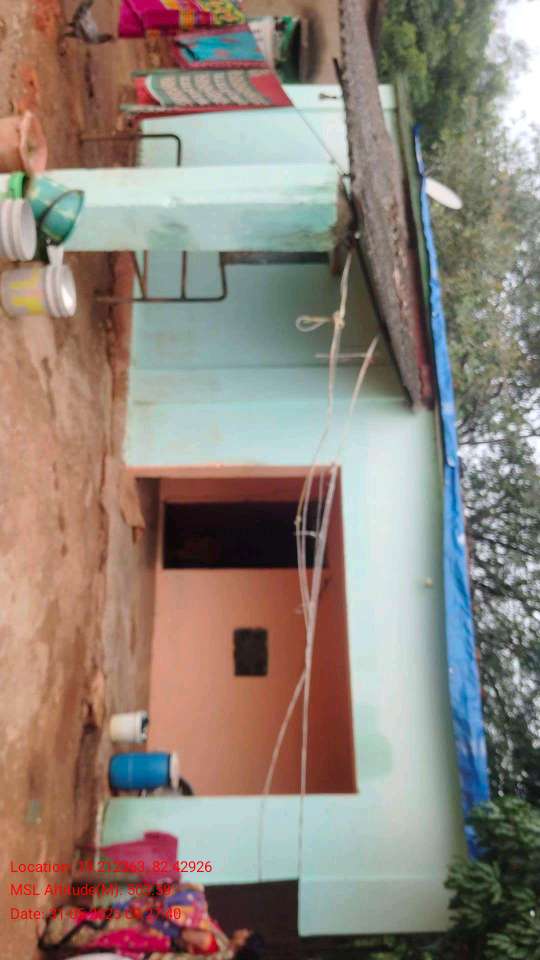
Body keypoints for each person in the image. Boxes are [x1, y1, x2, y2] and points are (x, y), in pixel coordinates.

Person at [37, 882, 265, 959]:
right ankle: (55, 932)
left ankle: (52, 931)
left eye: (247, 933)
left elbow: (186, 933)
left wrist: (190, 910)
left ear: (243, 943)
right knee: (102, 932)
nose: (243, 930)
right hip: (153, 938)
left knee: (103, 929)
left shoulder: (212, 944)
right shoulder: (220, 946)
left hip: (152, 934)